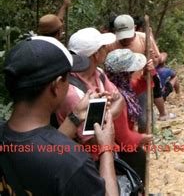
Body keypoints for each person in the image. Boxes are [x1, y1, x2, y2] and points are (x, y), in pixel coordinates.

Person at [0, 36, 118, 196]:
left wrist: (75, 116)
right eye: (68, 77)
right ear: (56, 86)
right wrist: (106, 148)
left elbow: (42, 148)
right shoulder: (73, 163)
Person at [106, 14, 176, 128]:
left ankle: (143, 142)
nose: (125, 39)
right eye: (121, 36)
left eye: (127, 35)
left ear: (134, 27)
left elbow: (157, 60)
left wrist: (152, 62)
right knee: (123, 121)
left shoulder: (144, 38)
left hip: (141, 84)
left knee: (145, 120)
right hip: (118, 88)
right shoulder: (110, 43)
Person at [104, 49, 153, 182]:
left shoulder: (120, 85)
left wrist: (147, 75)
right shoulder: (117, 97)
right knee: (138, 158)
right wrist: (142, 138)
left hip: (120, 143)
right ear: (127, 74)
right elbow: (124, 138)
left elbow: (138, 87)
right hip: (117, 148)